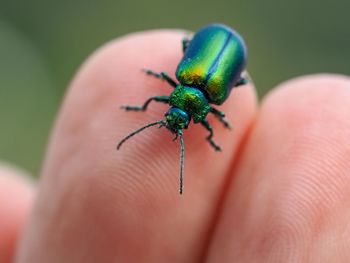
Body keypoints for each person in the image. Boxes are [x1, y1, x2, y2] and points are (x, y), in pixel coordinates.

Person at [1, 30, 350, 262]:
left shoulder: (192, 92)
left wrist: (211, 135)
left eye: (177, 119)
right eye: (177, 119)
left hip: (219, 46)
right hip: (220, 46)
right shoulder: (198, 94)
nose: (174, 123)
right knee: (232, 89)